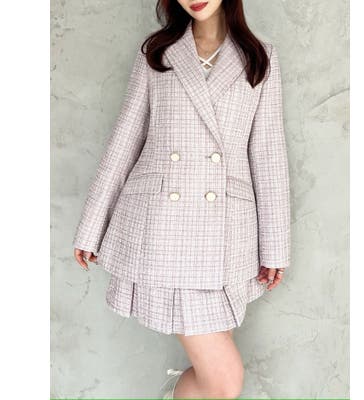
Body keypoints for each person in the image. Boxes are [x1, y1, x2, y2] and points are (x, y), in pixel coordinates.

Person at [73, 0, 290, 398]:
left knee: (216, 381)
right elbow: (125, 141)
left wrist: (275, 246)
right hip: (163, 229)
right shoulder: (157, 52)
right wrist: (92, 226)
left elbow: (267, 154)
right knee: (224, 382)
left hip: (227, 236)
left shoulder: (260, 57)